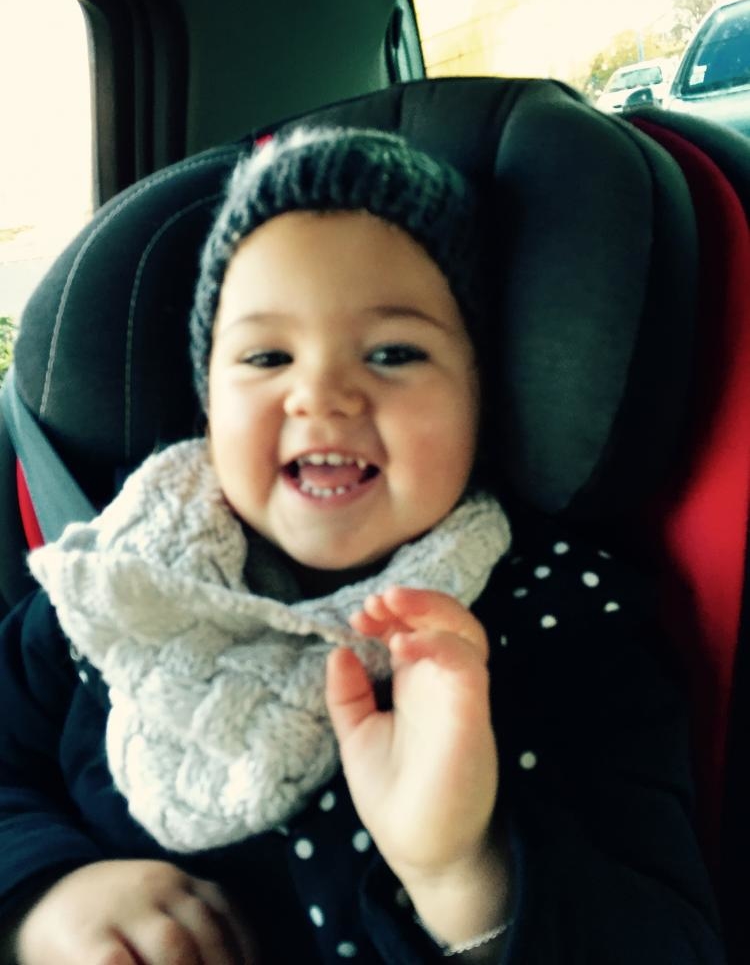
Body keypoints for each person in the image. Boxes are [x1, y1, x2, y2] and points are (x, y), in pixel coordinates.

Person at [0, 127, 724, 964]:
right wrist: (44, 898)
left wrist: (463, 876)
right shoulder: (116, 588)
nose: (321, 394)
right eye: (267, 355)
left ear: (482, 397)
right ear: (209, 403)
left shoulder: (568, 622)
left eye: (393, 352)